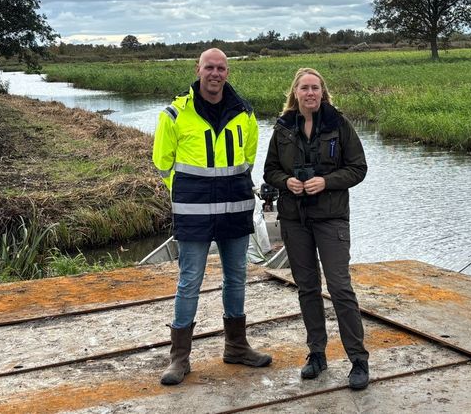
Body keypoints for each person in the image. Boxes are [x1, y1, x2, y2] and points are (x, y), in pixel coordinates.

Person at [153, 48, 272, 386]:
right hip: (194, 213)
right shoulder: (175, 115)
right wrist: (189, 192)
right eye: (209, 67)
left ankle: (236, 346)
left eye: (221, 68)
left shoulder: (244, 114)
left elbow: (247, 160)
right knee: (189, 281)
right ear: (198, 70)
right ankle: (180, 358)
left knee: (236, 278)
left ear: (227, 73)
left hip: (235, 210)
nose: (215, 73)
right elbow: (163, 163)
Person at [263, 67, 370, 390]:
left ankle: (359, 360)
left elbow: (358, 168)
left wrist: (326, 181)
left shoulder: (339, 125)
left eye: (315, 88)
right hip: (295, 220)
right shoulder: (283, 128)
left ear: (323, 93)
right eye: (304, 88)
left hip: (331, 218)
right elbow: (269, 170)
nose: (310, 93)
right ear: (295, 93)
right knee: (307, 287)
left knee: (340, 288)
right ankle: (317, 355)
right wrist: (287, 182)